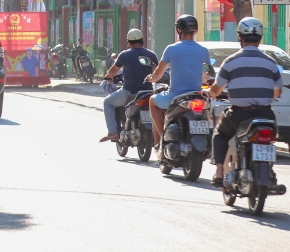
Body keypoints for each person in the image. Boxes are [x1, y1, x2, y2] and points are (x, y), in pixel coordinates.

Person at [205, 17, 284, 187]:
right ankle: (269, 169)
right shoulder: (271, 63)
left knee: (220, 134)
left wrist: (210, 93)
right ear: (260, 38)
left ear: (239, 37)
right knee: (269, 139)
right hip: (265, 113)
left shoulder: (230, 61)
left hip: (238, 114)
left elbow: (217, 89)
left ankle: (219, 171)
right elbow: (278, 90)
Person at [145, 14, 211, 142]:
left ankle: (163, 137)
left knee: (152, 101)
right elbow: (205, 77)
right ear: (195, 31)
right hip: (196, 96)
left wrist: (150, 78)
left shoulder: (171, 49)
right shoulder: (204, 51)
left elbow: (158, 74)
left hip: (174, 97)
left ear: (178, 30)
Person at [98, 28, 157, 142]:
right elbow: (157, 72)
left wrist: (108, 76)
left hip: (129, 92)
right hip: (148, 92)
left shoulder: (125, 55)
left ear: (129, 42)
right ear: (142, 40)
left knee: (108, 103)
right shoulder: (151, 54)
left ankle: (112, 132)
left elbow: (113, 70)